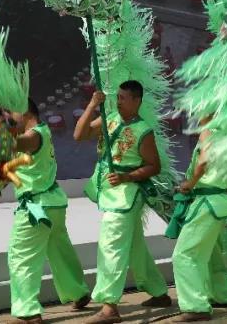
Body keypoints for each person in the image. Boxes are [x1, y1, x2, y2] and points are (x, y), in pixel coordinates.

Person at [75, 81, 170, 324]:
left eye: (123, 98)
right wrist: (92, 105)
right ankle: (159, 292)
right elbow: (79, 135)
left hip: (127, 195)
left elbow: (154, 166)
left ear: (137, 101)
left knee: (111, 245)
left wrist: (127, 177)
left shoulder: (143, 130)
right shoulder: (110, 118)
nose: (118, 102)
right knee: (135, 247)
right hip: (110, 191)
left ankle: (109, 307)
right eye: (117, 97)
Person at [6, 99, 90, 324]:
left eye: (12, 112)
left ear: (24, 112)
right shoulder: (42, 131)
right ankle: (78, 291)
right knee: (59, 249)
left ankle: (28, 312)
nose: (10, 117)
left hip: (36, 206)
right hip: (52, 203)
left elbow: (13, 144)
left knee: (21, 257)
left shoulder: (34, 135)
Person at [165, 118, 227, 322]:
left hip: (208, 203)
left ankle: (195, 306)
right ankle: (224, 294)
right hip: (220, 202)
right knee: (211, 253)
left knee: (184, 255)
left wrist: (189, 184)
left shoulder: (210, 131)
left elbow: (204, 162)